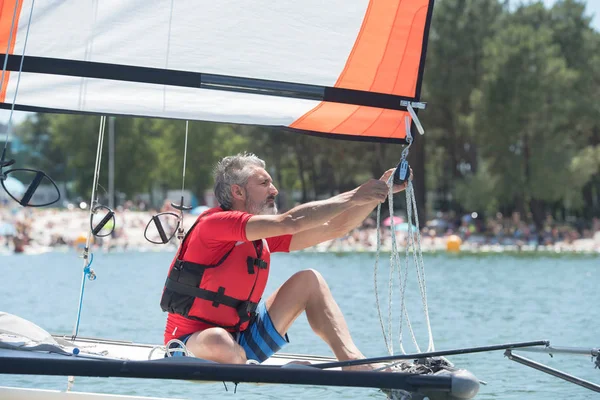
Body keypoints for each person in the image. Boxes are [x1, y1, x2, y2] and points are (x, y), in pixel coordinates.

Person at [161, 153, 410, 368]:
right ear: (237, 191)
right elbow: (291, 221)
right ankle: (254, 371)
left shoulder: (264, 237)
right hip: (191, 345)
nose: (274, 190)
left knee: (309, 281)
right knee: (218, 340)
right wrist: (355, 194)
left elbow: (335, 227)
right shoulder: (214, 224)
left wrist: (377, 192)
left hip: (243, 342)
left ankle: (353, 362)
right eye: (264, 183)